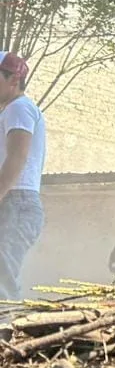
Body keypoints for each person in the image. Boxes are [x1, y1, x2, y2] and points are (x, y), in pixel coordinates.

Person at [0, 52, 46, 301]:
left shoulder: (19, 108)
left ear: (12, 80)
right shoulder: (12, 110)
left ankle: (6, 332)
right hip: (13, 200)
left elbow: (17, 157)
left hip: (16, 202)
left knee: (2, 275)